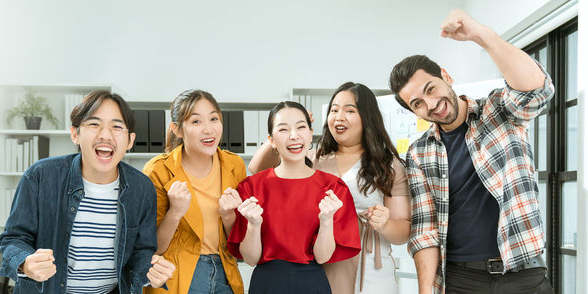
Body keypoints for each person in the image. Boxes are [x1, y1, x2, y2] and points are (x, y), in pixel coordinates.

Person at [388, 9, 555, 294]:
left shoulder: (499, 111)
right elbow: (425, 230)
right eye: (417, 103)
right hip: (461, 280)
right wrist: (426, 289)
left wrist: (481, 35)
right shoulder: (419, 154)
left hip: (523, 273)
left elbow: (537, 92)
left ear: (445, 76)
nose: (430, 104)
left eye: (430, 89)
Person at [0, 90, 175, 294]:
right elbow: (13, 238)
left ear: (130, 140)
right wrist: (26, 263)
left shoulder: (142, 187)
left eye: (117, 127)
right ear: (75, 134)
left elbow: (141, 251)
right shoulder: (40, 175)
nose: (105, 135)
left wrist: (151, 269)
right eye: (94, 124)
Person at [249, 83, 411, 294]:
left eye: (349, 110)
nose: (339, 117)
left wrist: (385, 224)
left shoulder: (389, 166)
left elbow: (404, 231)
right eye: (334, 110)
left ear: (368, 117)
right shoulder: (313, 158)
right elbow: (258, 168)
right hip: (321, 267)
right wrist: (291, 125)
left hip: (371, 272)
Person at [227, 101, 361, 294]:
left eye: (301, 127)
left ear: (310, 133)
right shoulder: (251, 187)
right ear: (271, 140)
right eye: (283, 129)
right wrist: (254, 225)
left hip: (312, 282)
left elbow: (322, 257)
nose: (294, 136)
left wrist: (326, 221)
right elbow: (251, 259)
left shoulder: (333, 188)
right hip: (266, 283)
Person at [142, 89, 246, 294]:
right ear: (177, 130)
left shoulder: (234, 165)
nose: (209, 129)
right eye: (196, 122)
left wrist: (229, 217)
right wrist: (174, 213)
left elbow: (240, 244)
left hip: (226, 273)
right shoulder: (158, 170)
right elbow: (152, 248)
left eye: (214, 119)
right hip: (177, 276)